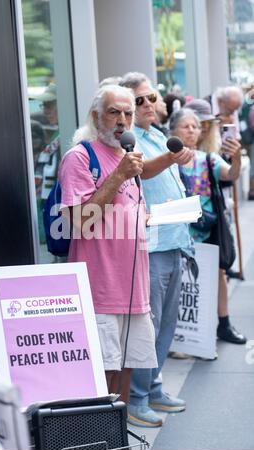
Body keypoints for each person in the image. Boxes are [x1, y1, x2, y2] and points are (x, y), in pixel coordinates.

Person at [58, 85, 157, 403]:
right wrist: (117, 176)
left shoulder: (128, 156)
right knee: (102, 374)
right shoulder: (79, 157)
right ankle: (100, 444)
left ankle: (120, 441)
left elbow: (125, 208)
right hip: (99, 289)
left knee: (127, 368)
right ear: (96, 116)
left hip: (134, 289)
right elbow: (80, 220)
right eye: (114, 112)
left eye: (128, 113)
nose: (123, 121)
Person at [120, 72, 195, 427]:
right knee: (146, 327)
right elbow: (144, 172)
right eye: (139, 100)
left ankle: (152, 388)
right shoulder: (129, 140)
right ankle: (135, 398)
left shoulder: (158, 136)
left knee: (167, 324)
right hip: (150, 246)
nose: (148, 104)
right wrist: (172, 155)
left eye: (151, 97)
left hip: (174, 239)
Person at [169, 107, 246, 345]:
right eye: (186, 126)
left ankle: (223, 324)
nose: (192, 130)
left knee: (219, 274)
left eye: (195, 126)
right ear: (173, 131)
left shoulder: (208, 159)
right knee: (180, 281)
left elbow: (231, 175)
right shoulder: (165, 162)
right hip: (178, 231)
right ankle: (182, 335)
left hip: (208, 228)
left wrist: (235, 158)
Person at [30, 83, 61, 244]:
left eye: (49, 104)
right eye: (44, 105)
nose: (45, 110)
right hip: (48, 204)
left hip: (61, 208)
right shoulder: (56, 133)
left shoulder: (70, 131)